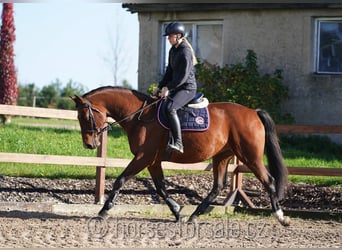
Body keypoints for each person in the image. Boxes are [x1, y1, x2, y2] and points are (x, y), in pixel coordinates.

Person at [153, 22, 198, 153]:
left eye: (170, 36)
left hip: (187, 88)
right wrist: (160, 86)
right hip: (177, 87)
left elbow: (183, 77)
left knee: (171, 108)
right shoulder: (173, 50)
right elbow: (169, 72)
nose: (168, 39)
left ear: (178, 36)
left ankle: (178, 143)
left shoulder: (185, 51)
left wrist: (168, 88)